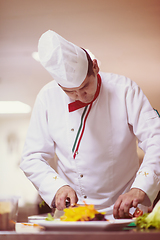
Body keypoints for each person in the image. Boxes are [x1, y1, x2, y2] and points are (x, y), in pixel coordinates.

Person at [20, 30, 160, 219]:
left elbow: (156, 140)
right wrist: (57, 187)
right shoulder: (47, 97)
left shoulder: (126, 90)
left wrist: (140, 187)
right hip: (73, 213)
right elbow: (32, 157)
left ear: (95, 67)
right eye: (71, 92)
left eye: (85, 86)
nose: (80, 96)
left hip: (125, 209)